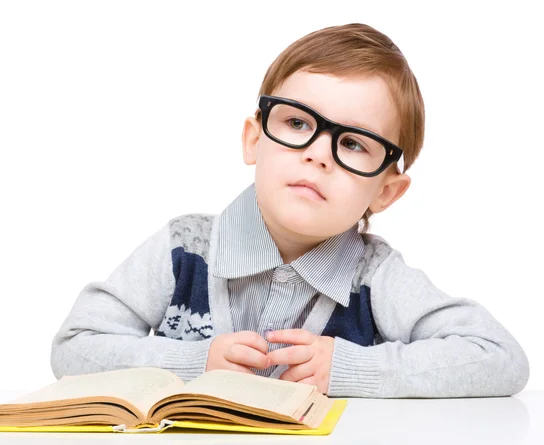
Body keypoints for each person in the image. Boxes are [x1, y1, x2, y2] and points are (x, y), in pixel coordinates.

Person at [50, 23, 529, 397]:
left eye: (354, 143)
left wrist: (349, 369)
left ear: (386, 193)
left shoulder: (375, 276)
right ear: (254, 139)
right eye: (298, 122)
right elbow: (74, 348)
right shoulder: (184, 248)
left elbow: (499, 357)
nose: (318, 153)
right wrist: (195, 364)